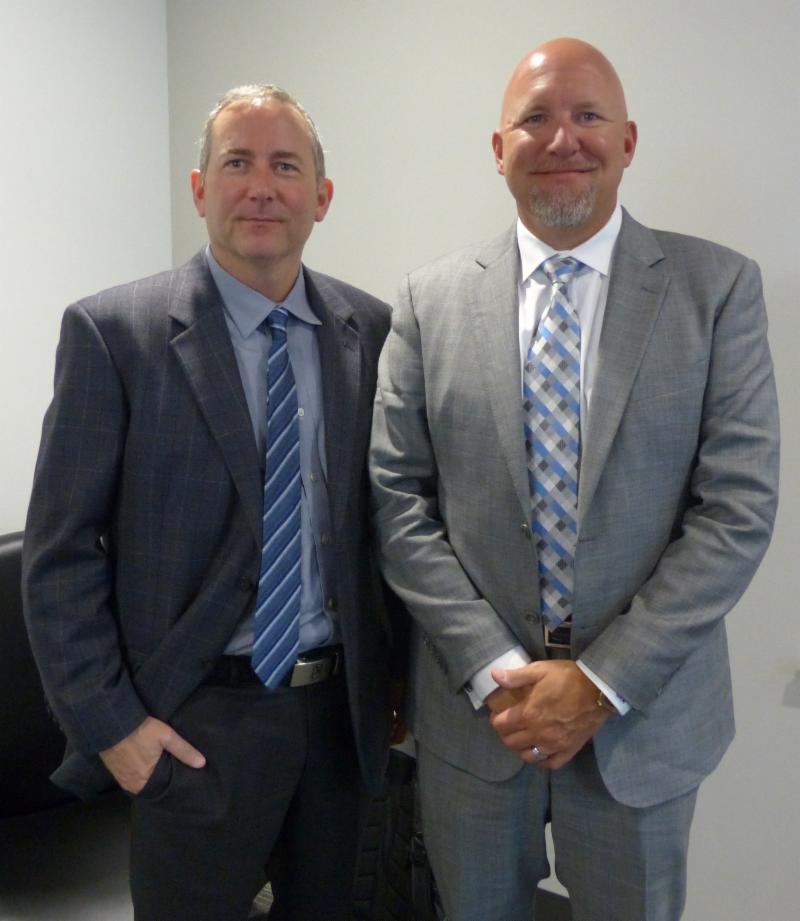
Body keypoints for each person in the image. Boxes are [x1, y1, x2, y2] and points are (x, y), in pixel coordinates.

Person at [369, 37, 779, 921]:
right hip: (479, 723)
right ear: (499, 149)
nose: (563, 139)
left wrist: (598, 683)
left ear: (628, 141)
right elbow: (398, 503)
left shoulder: (717, 290)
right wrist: (495, 670)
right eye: (536, 118)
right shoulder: (429, 302)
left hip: (643, 724)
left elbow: (737, 510)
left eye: (588, 115)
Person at [23, 84, 398, 921]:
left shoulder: (371, 331)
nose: (261, 187)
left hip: (339, 719)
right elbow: (58, 556)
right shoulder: (114, 333)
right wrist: (113, 728)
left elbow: (387, 521)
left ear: (321, 197)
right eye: (237, 163)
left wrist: (397, 683)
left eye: (285, 166)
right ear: (200, 189)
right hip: (191, 721)